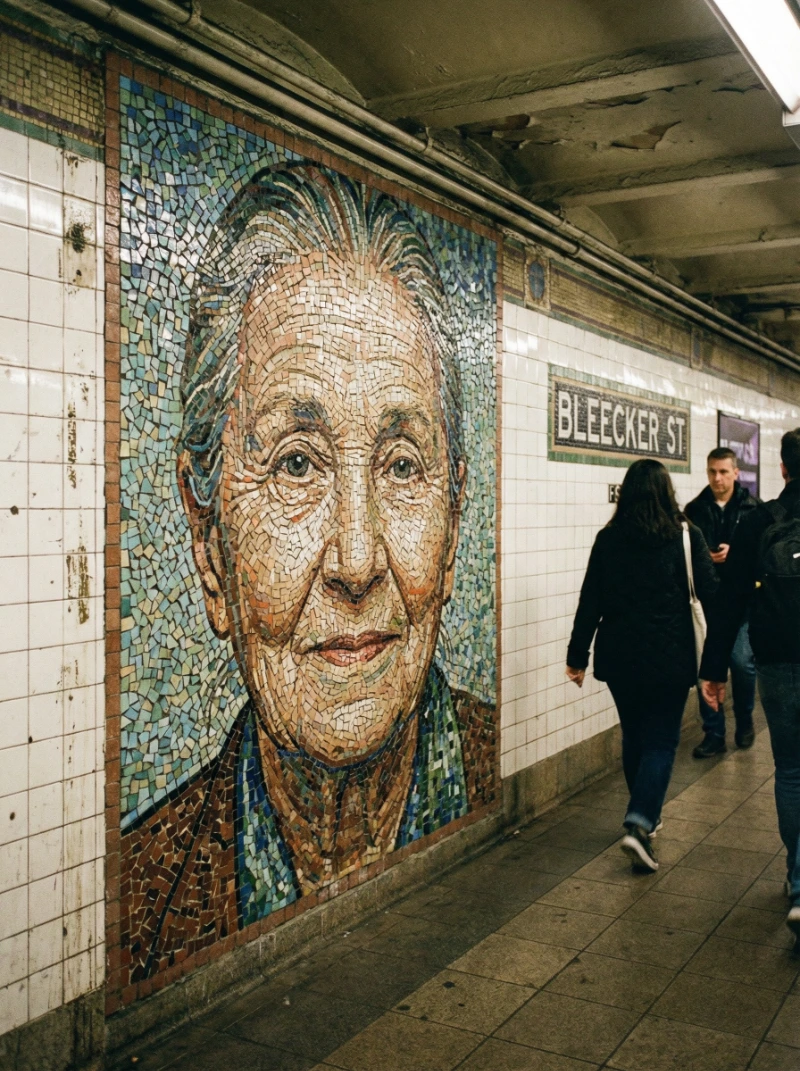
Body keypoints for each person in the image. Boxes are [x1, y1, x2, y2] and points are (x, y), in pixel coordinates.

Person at [120, 163, 496, 982]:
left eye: (401, 466)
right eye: (296, 464)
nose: (357, 560)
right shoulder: (143, 893)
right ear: (207, 536)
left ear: (454, 520)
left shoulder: (497, 760)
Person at [566, 458, 717, 871]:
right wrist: (716, 663)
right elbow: (711, 595)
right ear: (667, 492)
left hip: (620, 658)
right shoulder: (686, 536)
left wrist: (577, 656)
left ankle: (644, 820)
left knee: (634, 735)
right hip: (670, 659)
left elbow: (589, 601)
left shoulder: (609, 539)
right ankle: (640, 820)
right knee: (662, 741)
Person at [701, 428, 800, 940]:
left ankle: (798, 881)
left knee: (791, 771)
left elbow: (729, 602)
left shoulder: (758, 521)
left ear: (782, 469)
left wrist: (713, 669)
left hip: (779, 660)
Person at [685, 446, 758, 757]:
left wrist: (736, 554)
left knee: (742, 664)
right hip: (708, 603)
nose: (717, 478)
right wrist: (707, 557)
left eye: (724, 472)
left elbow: (763, 556)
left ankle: (744, 720)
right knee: (707, 669)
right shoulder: (693, 510)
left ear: (736, 473)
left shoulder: (754, 509)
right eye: (712, 472)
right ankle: (713, 732)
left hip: (742, 603)